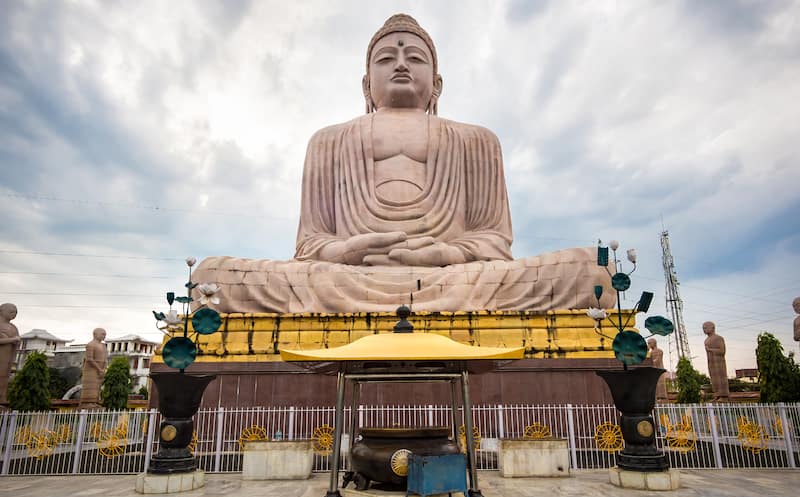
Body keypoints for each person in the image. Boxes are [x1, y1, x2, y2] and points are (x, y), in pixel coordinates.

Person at [194, 14, 614, 313]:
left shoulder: (477, 140)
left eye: (415, 58)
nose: (399, 64)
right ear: (365, 83)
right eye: (386, 59)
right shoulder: (328, 140)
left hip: (453, 279)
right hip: (346, 279)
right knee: (210, 279)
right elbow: (310, 247)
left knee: (593, 273)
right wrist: (346, 250)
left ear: (437, 83)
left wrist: (444, 254)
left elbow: (493, 242)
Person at [80, 328, 108, 409]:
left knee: (97, 386)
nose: (104, 336)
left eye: (105, 335)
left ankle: (95, 401)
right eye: (103, 334)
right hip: (91, 369)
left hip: (101, 369)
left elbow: (105, 358)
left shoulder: (103, 346)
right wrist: (99, 369)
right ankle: (87, 402)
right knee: (90, 385)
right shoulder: (90, 345)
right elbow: (89, 359)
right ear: (95, 334)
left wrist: (104, 368)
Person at [0, 303, 20, 406]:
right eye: (11, 311)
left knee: (5, 377)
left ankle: (2, 397)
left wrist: (15, 342)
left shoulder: (14, 327)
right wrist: (11, 339)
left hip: (8, 357)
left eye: (16, 312)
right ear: (2, 311)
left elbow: (17, 341)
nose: (14, 314)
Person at [703, 321, 729, 401]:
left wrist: (710, 350)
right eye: (703, 328)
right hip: (711, 362)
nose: (704, 330)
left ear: (713, 328)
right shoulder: (706, 340)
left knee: (721, 378)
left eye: (706, 327)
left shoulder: (718, 338)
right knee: (713, 379)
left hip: (719, 362)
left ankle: (723, 395)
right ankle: (717, 394)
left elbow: (722, 351)